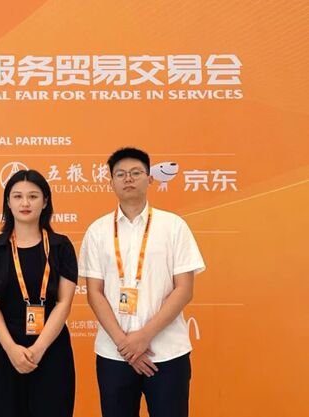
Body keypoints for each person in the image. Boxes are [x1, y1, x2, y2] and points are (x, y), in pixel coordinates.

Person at [79, 147, 205, 417]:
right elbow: (94, 293)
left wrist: (143, 337)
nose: (128, 178)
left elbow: (184, 290)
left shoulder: (174, 226)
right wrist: (125, 345)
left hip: (167, 353)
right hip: (114, 354)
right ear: (111, 182)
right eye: (120, 174)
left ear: (150, 179)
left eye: (136, 173)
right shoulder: (97, 231)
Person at [0, 169, 77, 417]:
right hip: (5, 349)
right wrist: (11, 348)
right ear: (8, 202)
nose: (25, 203)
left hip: (51, 349)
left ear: (45, 202)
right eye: (17, 196)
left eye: (33, 196)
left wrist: (39, 348)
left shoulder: (61, 246)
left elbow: (64, 303)